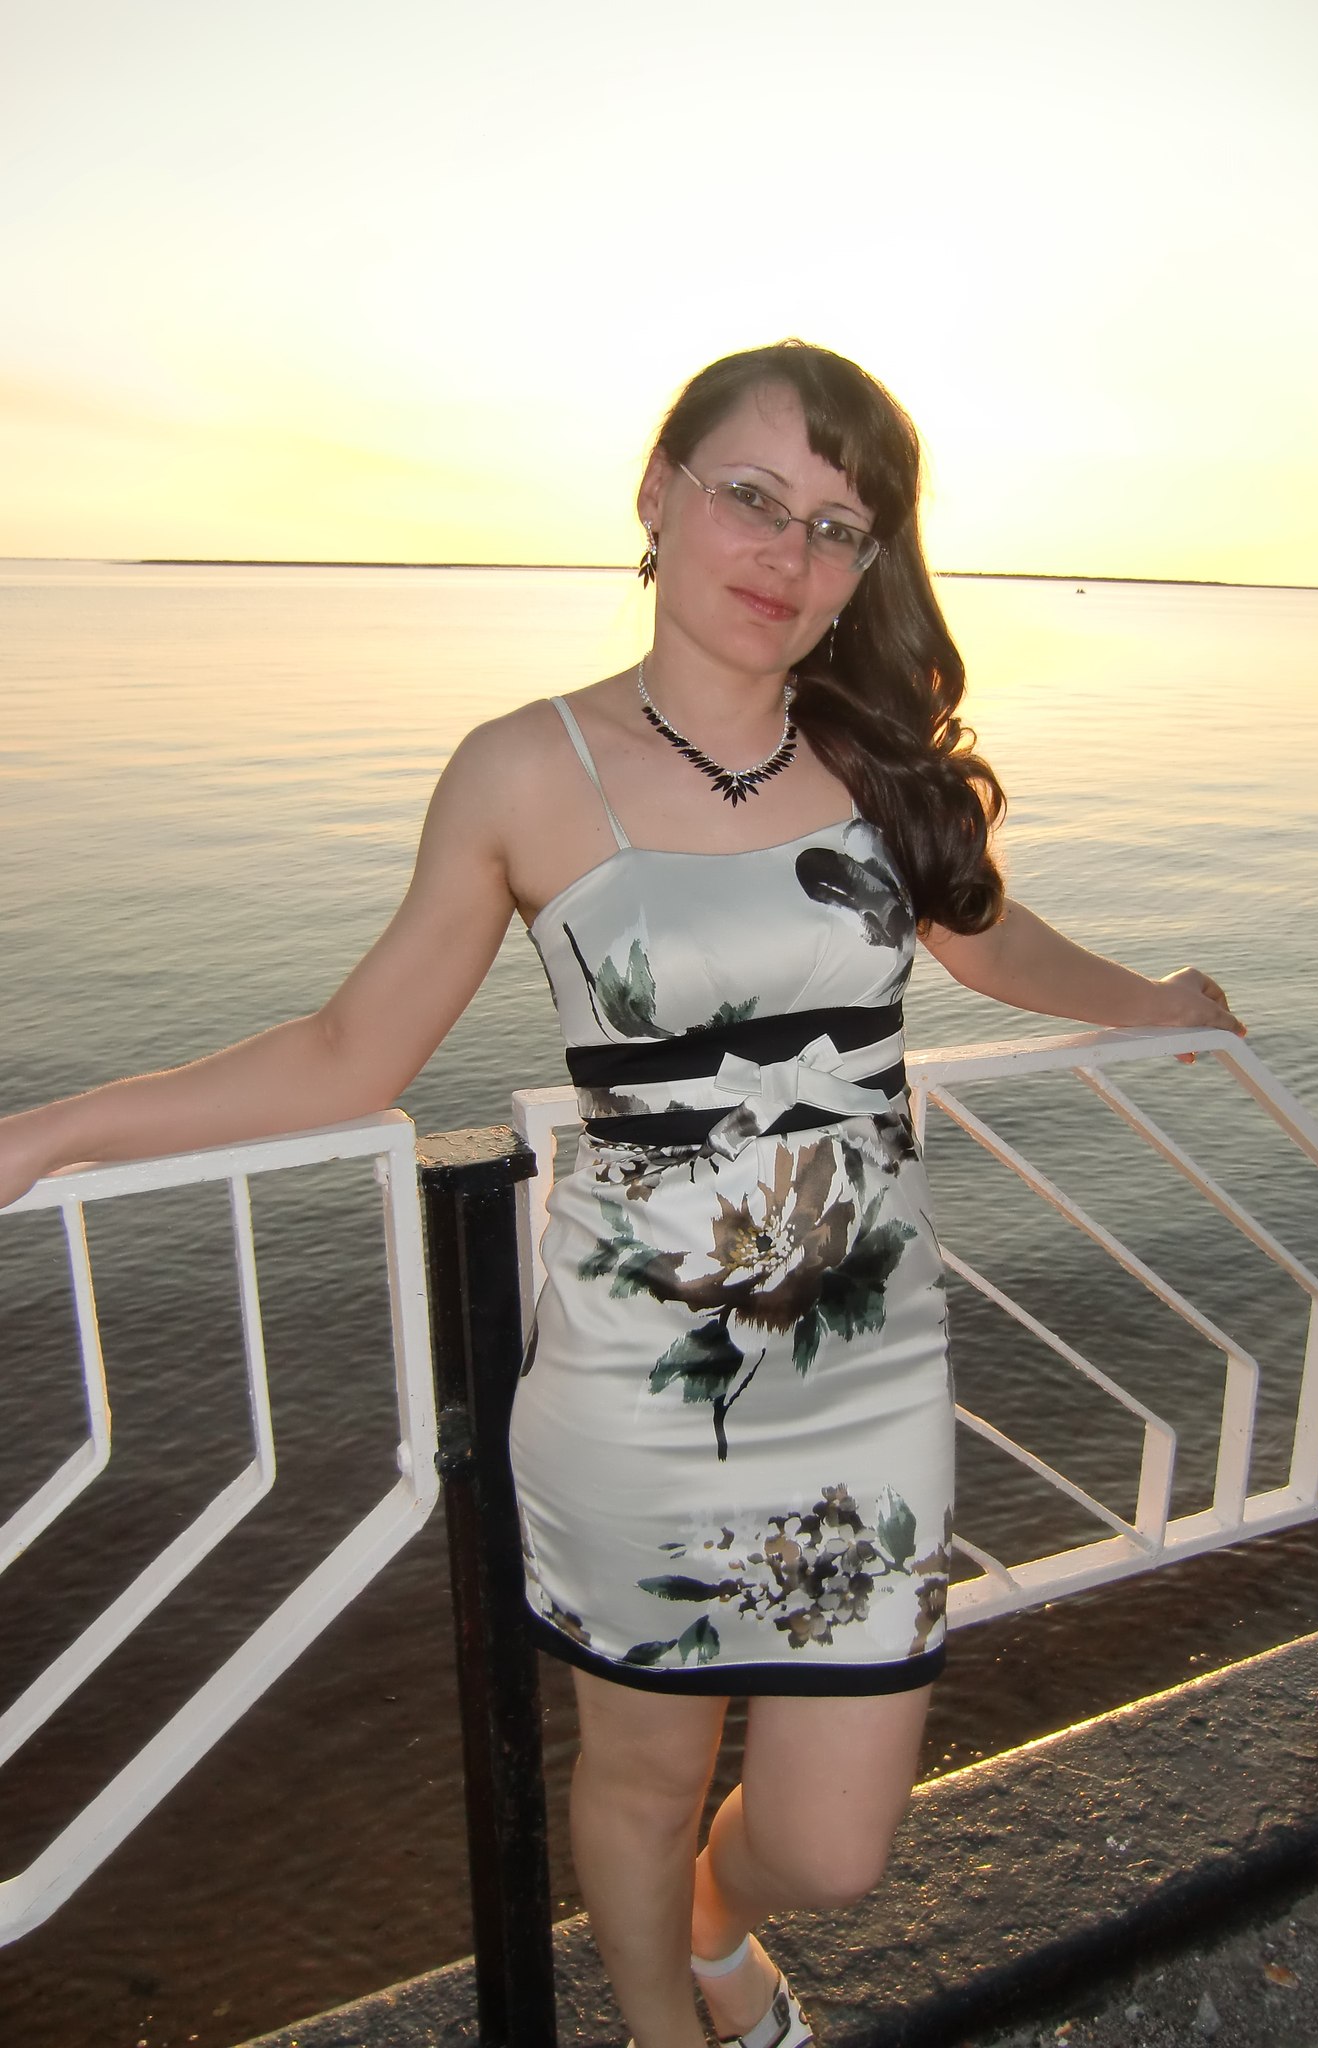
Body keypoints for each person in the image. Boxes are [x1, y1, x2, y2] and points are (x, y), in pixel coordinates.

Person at [0, 340, 1243, 2048]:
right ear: (658, 495)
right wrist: (51, 1134)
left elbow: (988, 937)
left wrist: (1153, 1002)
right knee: (645, 1776)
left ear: (863, 570)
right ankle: (672, 2025)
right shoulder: (527, 769)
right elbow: (353, 1049)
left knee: (836, 1845)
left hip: (872, 1372)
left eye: (835, 527)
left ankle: (729, 1923)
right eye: (752, 497)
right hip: (641, 1388)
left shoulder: (878, 761)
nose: (786, 553)